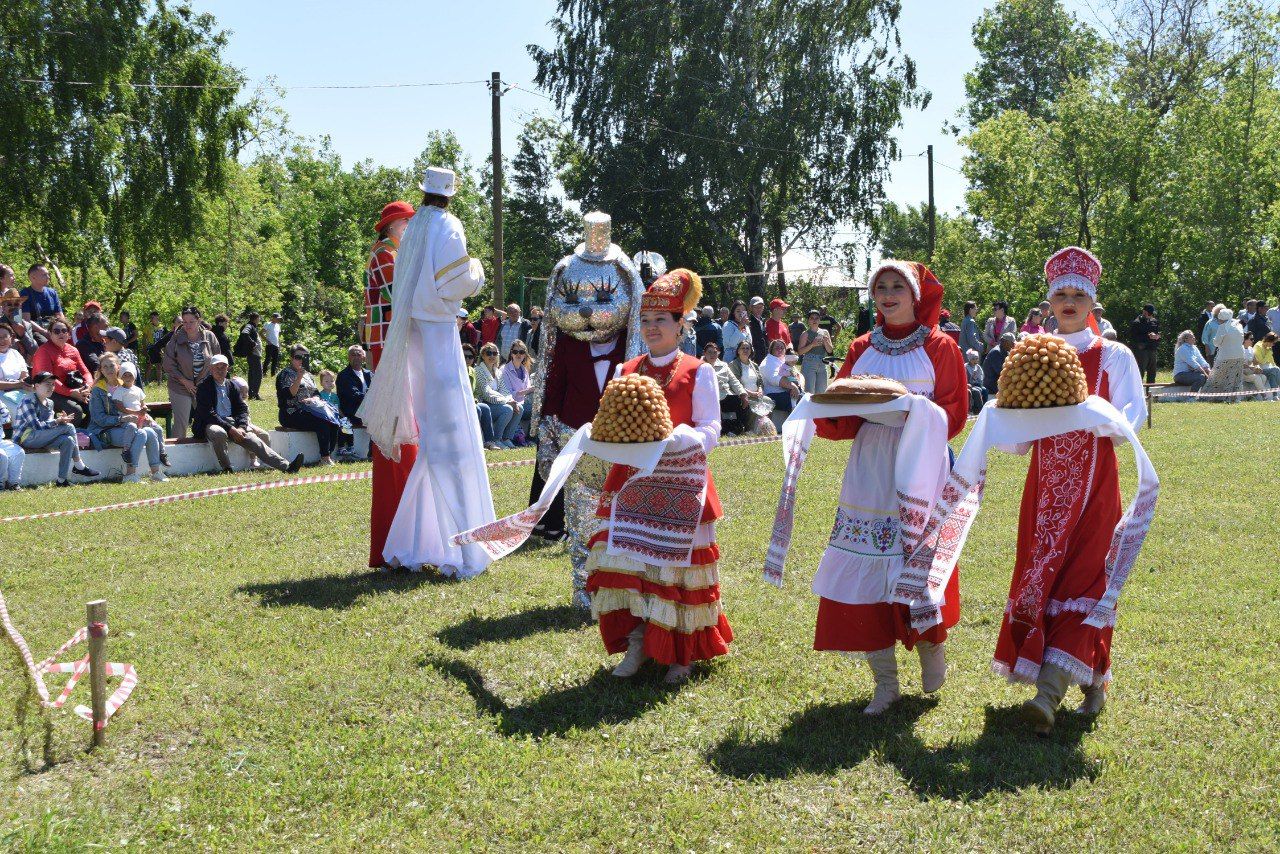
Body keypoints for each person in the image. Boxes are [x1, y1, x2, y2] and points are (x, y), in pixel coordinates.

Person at [807, 260, 968, 715]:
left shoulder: (941, 347)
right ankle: (884, 681)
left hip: (922, 462)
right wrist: (827, 404)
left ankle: (931, 645)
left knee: (918, 561)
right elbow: (842, 410)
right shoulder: (860, 347)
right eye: (881, 287)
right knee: (866, 566)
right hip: (871, 465)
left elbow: (954, 412)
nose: (889, 293)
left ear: (916, 295)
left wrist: (911, 408)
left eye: (898, 286)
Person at [997, 246, 1146, 733]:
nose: (1068, 301)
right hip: (1043, 489)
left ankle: (1047, 696)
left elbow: (1131, 419)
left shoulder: (1114, 355)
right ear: (1048, 301)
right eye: (1060, 293)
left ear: (1092, 302)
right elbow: (1019, 438)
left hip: (1095, 488)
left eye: (1078, 294)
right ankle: (1094, 679)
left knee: (1086, 579)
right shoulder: (1033, 352)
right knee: (1049, 578)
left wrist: (1086, 416)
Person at [586, 268, 732, 685]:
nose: (652, 329)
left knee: (676, 572)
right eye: (646, 321)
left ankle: (680, 654)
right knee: (625, 565)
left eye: (661, 321)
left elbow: (711, 430)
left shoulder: (697, 371)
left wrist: (679, 439)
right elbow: (610, 425)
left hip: (681, 484)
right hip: (630, 483)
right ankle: (637, 644)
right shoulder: (626, 370)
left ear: (680, 325)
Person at [357, 165, 495, 578]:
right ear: (451, 194)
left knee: (431, 438)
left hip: (411, 334)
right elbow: (454, 281)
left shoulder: (414, 229)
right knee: (452, 435)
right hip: (436, 335)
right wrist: (479, 271)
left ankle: (413, 541)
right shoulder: (448, 225)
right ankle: (463, 545)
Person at [195, 354, 301, 474]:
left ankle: (287, 466)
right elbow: (208, 414)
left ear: (227, 369)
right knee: (219, 433)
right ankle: (227, 468)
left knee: (254, 440)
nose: (220, 370)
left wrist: (241, 427)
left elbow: (242, 409)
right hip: (210, 423)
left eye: (223, 367)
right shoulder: (203, 387)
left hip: (232, 422)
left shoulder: (231, 386)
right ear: (210, 369)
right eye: (216, 367)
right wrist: (230, 429)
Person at [87, 352, 165, 483]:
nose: (108, 369)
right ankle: (130, 475)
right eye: (104, 367)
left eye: (111, 366)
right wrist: (121, 419)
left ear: (118, 367)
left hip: (129, 427)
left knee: (151, 432)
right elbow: (98, 419)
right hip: (104, 430)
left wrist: (146, 416)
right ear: (100, 370)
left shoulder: (127, 384)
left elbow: (138, 405)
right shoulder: (97, 390)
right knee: (140, 434)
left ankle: (156, 472)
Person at [13, 372, 99, 485]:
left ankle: (61, 480)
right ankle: (79, 465)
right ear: (37, 386)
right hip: (26, 438)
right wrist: (58, 421)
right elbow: (36, 426)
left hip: (41, 438)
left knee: (68, 440)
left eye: (53, 384)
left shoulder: (50, 402)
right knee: (69, 427)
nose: (51, 387)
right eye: (47, 384)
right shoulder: (28, 401)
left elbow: (48, 425)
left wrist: (60, 421)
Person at [276, 346, 340, 466]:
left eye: (304, 357)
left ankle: (328, 455)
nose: (301, 360)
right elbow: (289, 394)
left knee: (332, 419)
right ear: (291, 358)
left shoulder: (309, 375)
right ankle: (325, 458)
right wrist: (299, 377)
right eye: (298, 357)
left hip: (310, 409)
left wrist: (313, 399)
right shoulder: (284, 374)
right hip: (291, 412)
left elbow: (316, 394)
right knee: (323, 422)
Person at [162, 306, 221, 439]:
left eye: (191, 322)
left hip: (203, 386)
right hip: (179, 386)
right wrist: (185, 381)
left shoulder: (210, 337)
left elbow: (217, 360)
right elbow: (168, 364)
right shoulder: (176, 338)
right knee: (181, 424)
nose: (187, 325)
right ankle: (176, 455)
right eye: (184, 322)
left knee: (208, 420)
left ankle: (209, 449)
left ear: (199, 321)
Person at [30, 319, 92, 426]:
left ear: (68, 334)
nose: (61, 333)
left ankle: (86, 434)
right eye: (56, 331)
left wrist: (88, 387)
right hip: (50, 391)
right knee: (75, 411)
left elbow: (85, 372)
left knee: (95, 405)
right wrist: (71, 392)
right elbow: (48, 379)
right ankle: (64, 436)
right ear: (50, 333)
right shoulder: (43, 351)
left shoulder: (73, 350)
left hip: (74, 388)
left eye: (64, 330)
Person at [110, 361, 168, 468]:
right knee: (131, 427)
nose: (128, 377)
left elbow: (142, 404)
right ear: (121, 377)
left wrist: (144, 410)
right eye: (125, 375)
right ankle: (126, 450)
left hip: (140, 416)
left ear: (134, 376)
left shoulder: (138, 390)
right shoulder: (119, 391)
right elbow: (120, 407)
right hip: (127, 418)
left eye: (130, 375)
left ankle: (162, 453)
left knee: (158, 429)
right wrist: (136, 413)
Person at [474, 343, 520, 449]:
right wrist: (507, 401)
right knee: (508, 409)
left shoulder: (498, 372)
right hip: (485, 404)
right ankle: (496, 439)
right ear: (482, 355)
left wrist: (512, 400)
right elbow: (487, 393)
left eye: (494, 353)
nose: (492, 356)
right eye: (489, 353)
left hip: (497, 404)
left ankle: (506, 438)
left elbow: (505, 391)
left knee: (519, 408)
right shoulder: (478, 371)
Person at [727, 339, 770, 435]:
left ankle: (763, 429)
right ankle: (749, 430)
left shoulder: (754, 365)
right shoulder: (733, 365)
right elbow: (735, 383)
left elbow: (760, 381)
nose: (745, 350)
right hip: (742, 396)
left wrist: (759, 390)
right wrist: (751, 393)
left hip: (756, 395)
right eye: (743, 348)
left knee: (769, 402)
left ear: (751, 351)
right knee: (752, 405)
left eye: (748, 348)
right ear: (738, 351)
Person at [1203, 308, 1247, 400]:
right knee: (1235, 377)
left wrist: (1215, 340)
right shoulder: (1238, 325)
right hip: (1239, 355)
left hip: (1226, 356)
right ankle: (1233, 398)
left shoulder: (1223, 327)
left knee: (1216, 376)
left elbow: (1216, 343)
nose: (1218, 320)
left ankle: (1210, 397)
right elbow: (1241, 340)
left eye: (1219, 319)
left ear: (1222, 319)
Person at [703, 342, 747, 434]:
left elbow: (734, 381)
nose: (712, 355)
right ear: (704, 353)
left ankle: (740, 427)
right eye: (709, 352)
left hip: (728, 394)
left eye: (715, 352)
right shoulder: (700, 366)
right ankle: (725, 429)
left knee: (740, 401)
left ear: (718, 353)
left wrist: (743, 393)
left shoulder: (724, 365)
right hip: (712, 397)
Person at [497, 341, 533, 443]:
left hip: (523, 403)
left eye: (521, 352)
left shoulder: (524, 370)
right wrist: (529, 390)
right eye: (515, 351)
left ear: (525, 355)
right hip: (510, 402)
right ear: (511, 353)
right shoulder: (504, 370)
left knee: (538, 410)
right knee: (522, 408)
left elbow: (529, 388)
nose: (518, 354)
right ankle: (507, 438)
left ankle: (531, 439)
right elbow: (508, 392)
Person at [19, 263, 64, 341]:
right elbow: (26, 320)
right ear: (33, 278)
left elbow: (59, 314)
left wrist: (63, 329)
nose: (48, 277)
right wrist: (43, 332)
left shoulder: (52, 292)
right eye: (44, 275)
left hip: (53, 329)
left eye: (48, 274)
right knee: (45, 343)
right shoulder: (25, 294)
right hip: (36, 331)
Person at [761, 338, 800, 423]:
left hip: (787, 391)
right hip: (773, 394)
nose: (780, 350)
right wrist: (793, 387)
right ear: (771, 350)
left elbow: (799, 375)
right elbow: (775, 379)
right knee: (800, 400)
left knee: (806, 397)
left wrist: (797, 386)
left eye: (782, 348)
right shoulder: (767, 362)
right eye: (777, 348)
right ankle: (794, 427)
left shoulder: (784, 360)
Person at [796, 308, 833, 395]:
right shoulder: (805, 334)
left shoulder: (825, 332)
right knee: (809, 392)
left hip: (822, 363)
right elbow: (800, 352)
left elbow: (830, 350)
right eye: (812, 318)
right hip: (809, 363)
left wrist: (826, 342)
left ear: (820, 320)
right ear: (808, 321)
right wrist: (812, 344)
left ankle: (819, 409)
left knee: (821, 392)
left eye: (817, 318)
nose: (814, 320)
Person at [0, 324, 29, 426]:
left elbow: (24, 374)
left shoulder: (15, 353)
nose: (2, 340)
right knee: (19, 408)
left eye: (5, 336)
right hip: (1, 393)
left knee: (40, 401)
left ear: (11, 337)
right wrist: (18, 384)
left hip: (19, 390)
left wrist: (25, 383)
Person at [336, 345, 372, 427]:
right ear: (348, 357)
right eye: (353, 354)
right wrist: (372, 396)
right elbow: (353, 395)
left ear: (363, 357)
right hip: (353, 414)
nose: (356, 357)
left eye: (358, 355)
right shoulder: (343, 376)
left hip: (370, 411)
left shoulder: (369, 374)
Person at [234, 312, 264, 399]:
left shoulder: (252, 326)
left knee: (252, 374)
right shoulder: (249, 326)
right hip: (254, 354)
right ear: (256, 318)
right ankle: (255, 394)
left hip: (254, 355)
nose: (259, 320)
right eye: (259, 319)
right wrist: (253, 343)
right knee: (258, 374)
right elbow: (244, 333)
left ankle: (252, 394)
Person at [1129, 303, 1161, 384]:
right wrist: (1148, 336)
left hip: (1152, 350)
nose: (1150, 315)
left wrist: (1157, 337)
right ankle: (1138, 392)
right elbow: (1133, 338)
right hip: (1141, 351)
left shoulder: (1154, 321)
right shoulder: (1137, 323)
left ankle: (1150, 392)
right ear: (1144, 312)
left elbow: (1159, 333)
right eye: (1148, 313)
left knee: (1152, 373)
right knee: (1140, 372)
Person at [982, 331, 1015, 396]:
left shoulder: (1005, 351)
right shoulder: (996, 352)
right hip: (991, 389)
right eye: (1011, 343)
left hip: (997, 387)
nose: (1013, 345)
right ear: (1004, 342)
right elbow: (1002, 372)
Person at [965, 349, 987, 413]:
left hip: (977, 384)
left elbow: (981, 376)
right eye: (973, 359)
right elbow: (965, 379)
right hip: (970, 384)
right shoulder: (966, 367)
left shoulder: (978, 367)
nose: (975, 361)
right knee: (977, 391)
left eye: (977, 359)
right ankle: (979, 409)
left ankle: (984, 407)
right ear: (969, 359)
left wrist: (978, 378)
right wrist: (972, 377)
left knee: (984, 390)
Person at [748, 295, 769, 362]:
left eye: (761, 307)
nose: (759, 309)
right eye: (756, 307)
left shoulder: (764, 321)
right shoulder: (748, 322)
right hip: (754, 356)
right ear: (751, 308)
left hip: (765, 356)